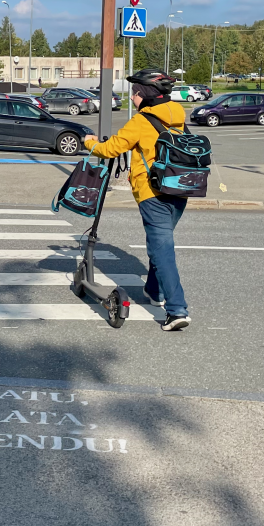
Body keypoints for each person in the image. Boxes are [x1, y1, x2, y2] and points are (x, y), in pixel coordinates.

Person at [83, 69, 191, 331]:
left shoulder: (142, 121)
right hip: (180, 189)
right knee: (159, 244)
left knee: (162, 249)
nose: (132, 98)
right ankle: (154, 291)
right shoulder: (178, 114)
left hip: (153, 193)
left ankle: (176, 310)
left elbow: (111, 149)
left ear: (144, 94)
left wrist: (89, 142)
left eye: (134, 93)